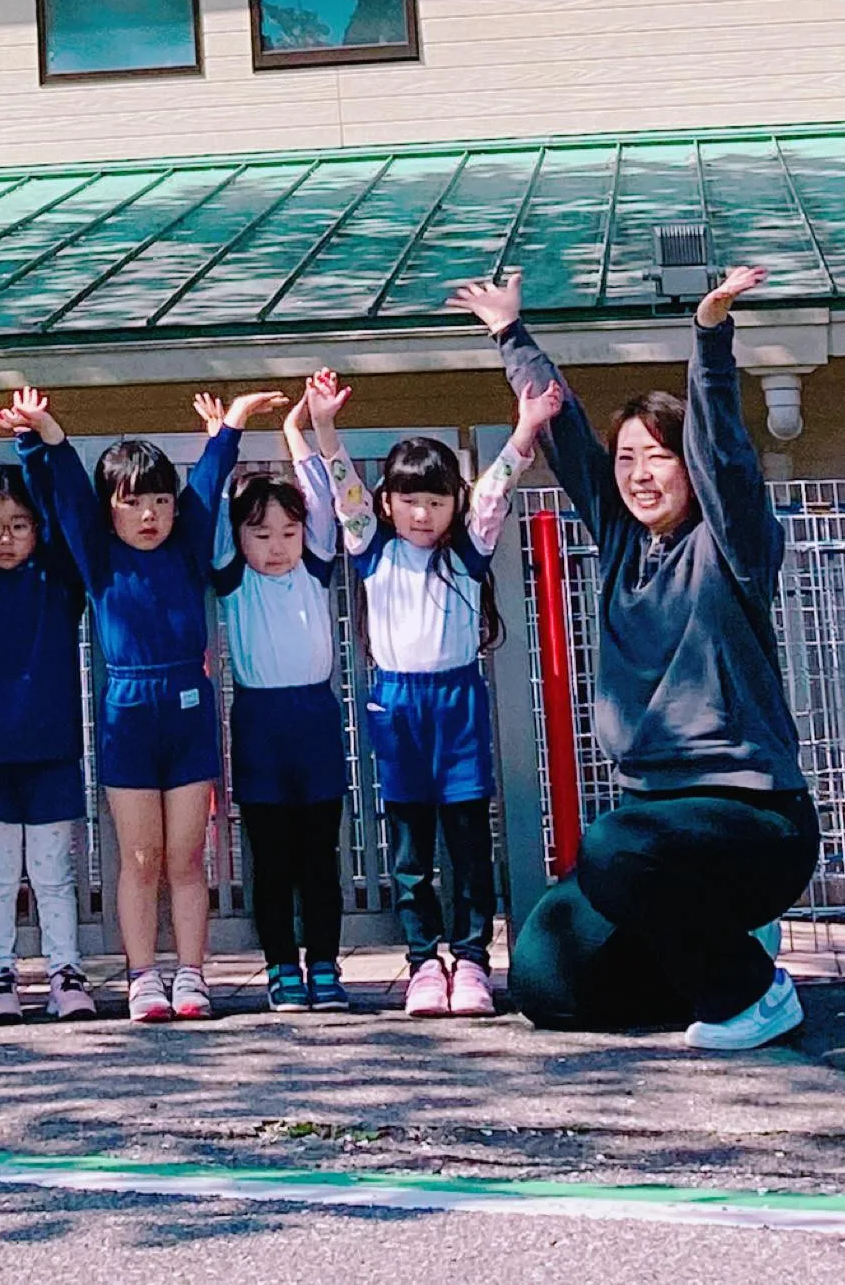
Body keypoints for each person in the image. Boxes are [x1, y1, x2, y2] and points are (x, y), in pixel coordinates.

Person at [451, 260, 822, 1053]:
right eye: (627, 459)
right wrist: (511, 336)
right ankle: (718, 967)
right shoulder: (622, 545)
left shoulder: (734, 550)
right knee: (547, 970)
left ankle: (757, 994)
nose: (639, 473)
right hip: (655, 825)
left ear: (687, 468)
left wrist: (711, 336)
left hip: (753, 820)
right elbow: (565, 435)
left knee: (613, 844)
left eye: (658, 456)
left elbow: (726, 453)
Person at [19, 379, 283, 1021]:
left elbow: (208, 485)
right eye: (133, 503)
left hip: (188, 706)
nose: (149, 515)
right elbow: (72, 499)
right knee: (141, 857)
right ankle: (142, 977)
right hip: (127, 713)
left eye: (159, 501)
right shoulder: (99, 556)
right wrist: (47, 435)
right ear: (112, 510)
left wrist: (232, 427)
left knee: (188, 856)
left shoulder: (189, 544)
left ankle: (191, 975)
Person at [309, 366, 555, 1016]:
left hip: (457, 702)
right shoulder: (370, 547)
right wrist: (326, 427)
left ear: (454, 504)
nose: (422, 513)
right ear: (388, 502)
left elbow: (498, 487)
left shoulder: (467, 549)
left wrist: (527, 427)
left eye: (437, 500)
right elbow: (345, 492)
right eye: (409, 500)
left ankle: (472, 960)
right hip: (398, 705)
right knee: (412, 845)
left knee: (471, 839)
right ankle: (423, 962)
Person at [0, 391, 94, 1021]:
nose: (6, 538)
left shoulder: (60, 576)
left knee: (54, 873)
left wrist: (37, 442)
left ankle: (66, 973)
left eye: (19, 525)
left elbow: (71, 514)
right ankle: (0, 976)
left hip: (53, 752)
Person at [211, 382, 348, 1011]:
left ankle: (324, 964)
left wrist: (299, 435)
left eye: (287, 533)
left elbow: (324, 504)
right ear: (240, 538)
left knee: (320, 854)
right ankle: (280, 968)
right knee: (270, 855)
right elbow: (210, 511)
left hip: (316, 718)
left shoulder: (316, 565)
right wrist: (226, 437)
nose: (276, 546)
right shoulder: (233, 578)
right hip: (261, 720)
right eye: (261, 534)